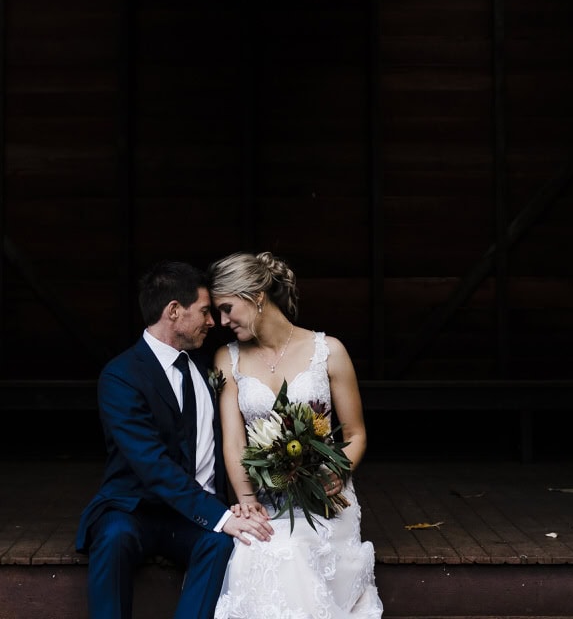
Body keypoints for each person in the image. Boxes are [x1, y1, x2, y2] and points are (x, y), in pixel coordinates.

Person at [77, 260, 275, 619]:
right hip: (135, 510)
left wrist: (238, 505)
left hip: (193, 518)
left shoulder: (209, 365)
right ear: (173, 311)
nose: (213, 322)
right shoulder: (121, 376)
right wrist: (219, 515)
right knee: (113, 537)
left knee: (221, 543)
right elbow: (151, 464)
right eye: (204, 311)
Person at [209, 251, 384, 619]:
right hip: (267, 500)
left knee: (292, 552)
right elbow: (234, 443)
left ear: (256, 296)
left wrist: (337, 471)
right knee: (255, 552)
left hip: (326, 503)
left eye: (227, 308)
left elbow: (356, 433)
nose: (222, 321)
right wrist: (247, 502)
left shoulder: (329, 351)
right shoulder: (227, 358)